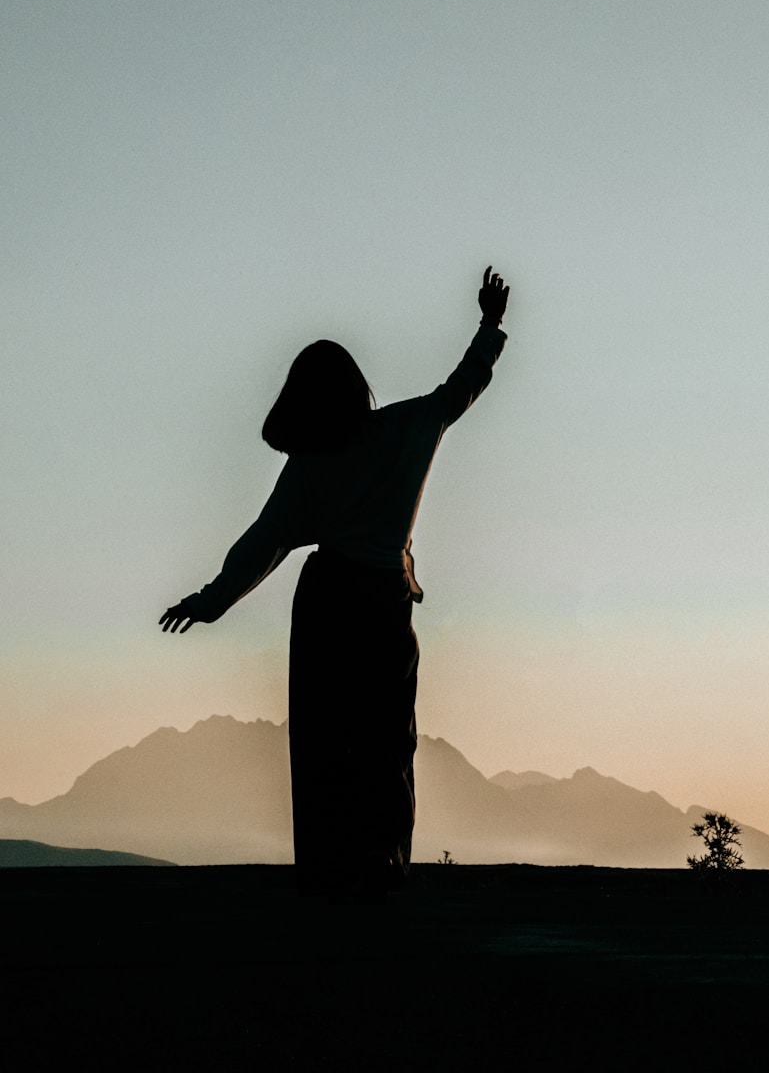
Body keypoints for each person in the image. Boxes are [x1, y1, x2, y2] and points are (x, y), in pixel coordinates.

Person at [160, 267, 510, 901]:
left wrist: (211, 602)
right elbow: (461, 389)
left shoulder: (310, 465)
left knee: (325, 741)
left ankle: (327, 875)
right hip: (384, 604)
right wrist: (488, 326)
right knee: (387, 742)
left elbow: (262, 544)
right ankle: (384, 869)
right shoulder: (407, 429)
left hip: (327, 601)